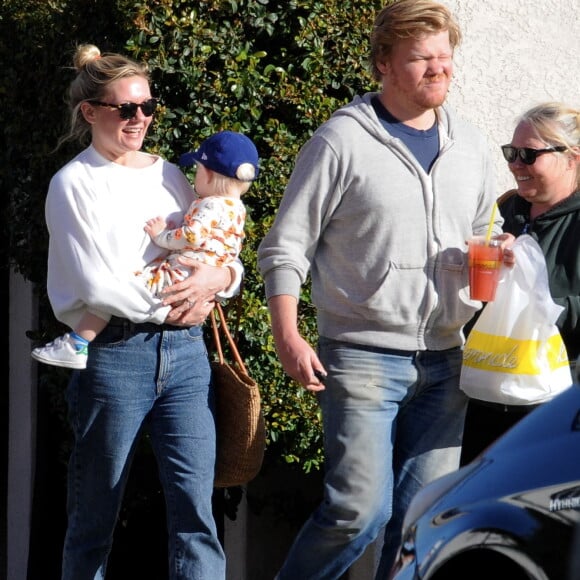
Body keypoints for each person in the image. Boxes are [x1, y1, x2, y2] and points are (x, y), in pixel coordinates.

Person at [257, 1, 513, 578]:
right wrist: (288, 335)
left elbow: (480, 233)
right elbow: (285, 246)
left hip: (449, 359)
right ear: (384, 64)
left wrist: (497, 259)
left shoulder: (469, 144)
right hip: (362, 355)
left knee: (421, 521)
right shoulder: (341, 140)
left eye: (445, 57)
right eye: (421, 58)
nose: (438, 69)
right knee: (357, 512)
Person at [37, 43, 243, 580]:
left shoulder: (173, 174)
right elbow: (100, 286)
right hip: (115, 355)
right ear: (90, 112)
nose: (140, 119)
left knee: (199, 515)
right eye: (126, 108)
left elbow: (218, 247)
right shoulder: (73, 185)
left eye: (147, 106)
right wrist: (184, 298)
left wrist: (222, 280)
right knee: (94, 518)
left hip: (186, 355)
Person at [31, 129, 257, 369]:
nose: (194, 176)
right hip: (194, 291)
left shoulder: (209, 205)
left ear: (210, 174)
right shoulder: (238, 210)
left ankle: (77, 343)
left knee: (116, 291)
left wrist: (162, 236)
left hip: (178, 279)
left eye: (198, 170)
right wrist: (226, 275)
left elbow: (191, 236)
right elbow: (229, 252)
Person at [460, 101, 580, 466]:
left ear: (572, 157)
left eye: (528, 154)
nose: (515, 165)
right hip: (485, 394)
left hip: (556, 405)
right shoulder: (504, 212)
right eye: (511, 153)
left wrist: (539, 304)